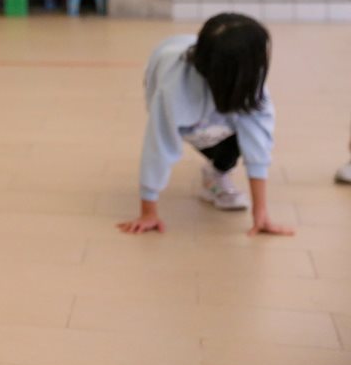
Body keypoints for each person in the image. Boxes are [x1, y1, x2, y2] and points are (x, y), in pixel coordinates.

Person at [117, 13, 293, 237]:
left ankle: (214, 176)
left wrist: (261, 214)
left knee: (241, 134)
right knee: (196, 129)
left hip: (215, 63)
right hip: (167, 62)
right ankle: (205, 136)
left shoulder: (249, 80)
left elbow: (258, 140)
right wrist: (148, 211)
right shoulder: (173, 89)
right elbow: (158, 143)